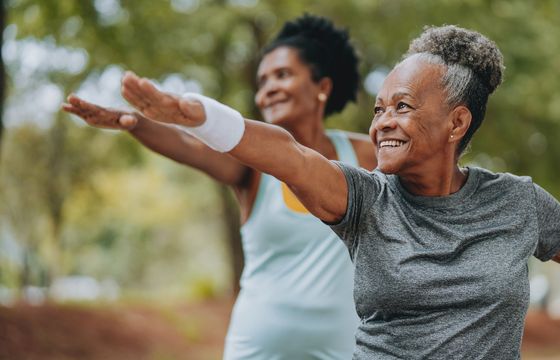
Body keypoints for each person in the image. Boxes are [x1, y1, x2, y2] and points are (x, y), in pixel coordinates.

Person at [116, 24, 560, 359]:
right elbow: (288, 153)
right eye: (379, 109)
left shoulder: (518, 203)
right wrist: (203, 118)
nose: (383, 122)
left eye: (403, 107)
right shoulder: (363, 199)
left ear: (457, 122)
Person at [63, 15, 376, 360]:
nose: (267, 89)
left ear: (323, 87)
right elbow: (190, 147)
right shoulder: (253, 169)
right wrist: (135, 123)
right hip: (255, 349)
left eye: (282, 75)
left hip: (342, 350)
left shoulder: (362, 155)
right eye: (262, 80)